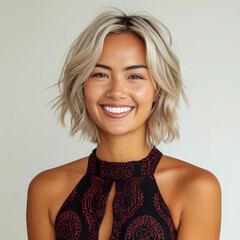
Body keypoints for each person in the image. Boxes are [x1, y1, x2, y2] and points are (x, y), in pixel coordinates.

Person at [26, 7, 221, 240]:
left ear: (157, 89)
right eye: (100, 74)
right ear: (82, 85)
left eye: (135, 76)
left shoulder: (197, 188)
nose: (116, 92)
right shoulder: (45, 189)